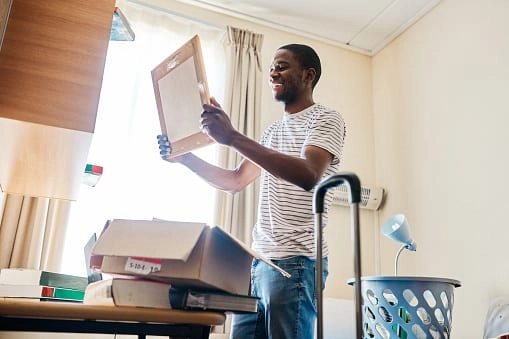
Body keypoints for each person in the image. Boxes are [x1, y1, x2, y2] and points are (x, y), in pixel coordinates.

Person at [158, 43, 345, 339]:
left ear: (308, 75)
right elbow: (235, 181)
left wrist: (231, 137)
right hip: (258, 264)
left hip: (296, 264)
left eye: (282, 66)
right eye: (271, 67)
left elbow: (308, 174)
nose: (273, 72)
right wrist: (185, 159)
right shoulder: (271, 132)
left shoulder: (325, 119)